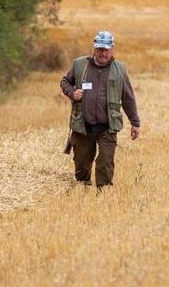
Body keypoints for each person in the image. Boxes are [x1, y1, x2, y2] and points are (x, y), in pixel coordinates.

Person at [60, 30, 140, 188]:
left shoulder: (120, 70)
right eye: (100, 49)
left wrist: (135, 123)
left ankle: (103, 194)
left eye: (106, 50)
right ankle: (83, 188)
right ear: (94, 48)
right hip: (83, 126)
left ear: (112, 49)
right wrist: (72, 93)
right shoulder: (79, 64)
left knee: (105, 163)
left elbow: (128, 98)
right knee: (81, 165)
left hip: (108, 127)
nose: (103, 53)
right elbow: (65, 82)